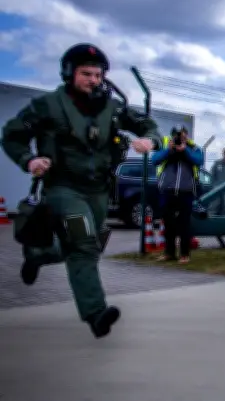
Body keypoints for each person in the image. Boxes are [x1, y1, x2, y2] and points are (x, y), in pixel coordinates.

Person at [1, 43, 161, 338]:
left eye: (98, 75)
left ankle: (38, 254)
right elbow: (12, 135)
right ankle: (95, 314)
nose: (94, 80)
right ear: (69, 73)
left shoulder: (112, 108)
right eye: (86, 74)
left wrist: (150, 140)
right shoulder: (47, 106)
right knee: (84, 241)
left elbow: (147, 125)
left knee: (86, 246)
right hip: (63, 190)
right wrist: (29, 160)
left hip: (98, 191)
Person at [152, 125, 204, 264]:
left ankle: (184, 254)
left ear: (187, 135)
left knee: (184, 223)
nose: (180, 137)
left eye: (183, 135)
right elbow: (155, 160)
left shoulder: (194, 148)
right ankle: (169, 253)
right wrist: (168, 150)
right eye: (177, 135)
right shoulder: (166, 145)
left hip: (186, 191)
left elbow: (199, 161)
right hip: (167, 190)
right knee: (168, 222)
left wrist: (185, 149)